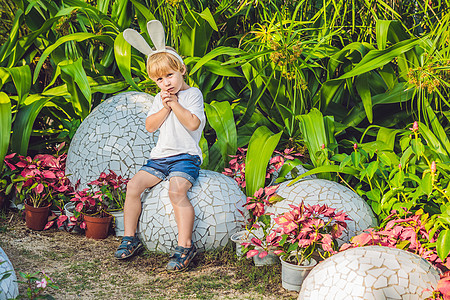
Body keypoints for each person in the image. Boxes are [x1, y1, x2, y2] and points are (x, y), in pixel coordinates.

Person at [114, 22, 205, 272]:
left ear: (182, 70)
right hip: (161, 157)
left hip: (185, 157)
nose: (166, 83)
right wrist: (165, 106)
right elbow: (150, 126)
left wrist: (175, 104)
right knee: (133, 186)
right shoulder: (159, 99)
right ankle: (130, 238)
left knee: (176, 192)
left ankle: (185, 245)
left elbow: (193, 123)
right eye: (159, 79)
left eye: (170, 76)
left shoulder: (193, 95)